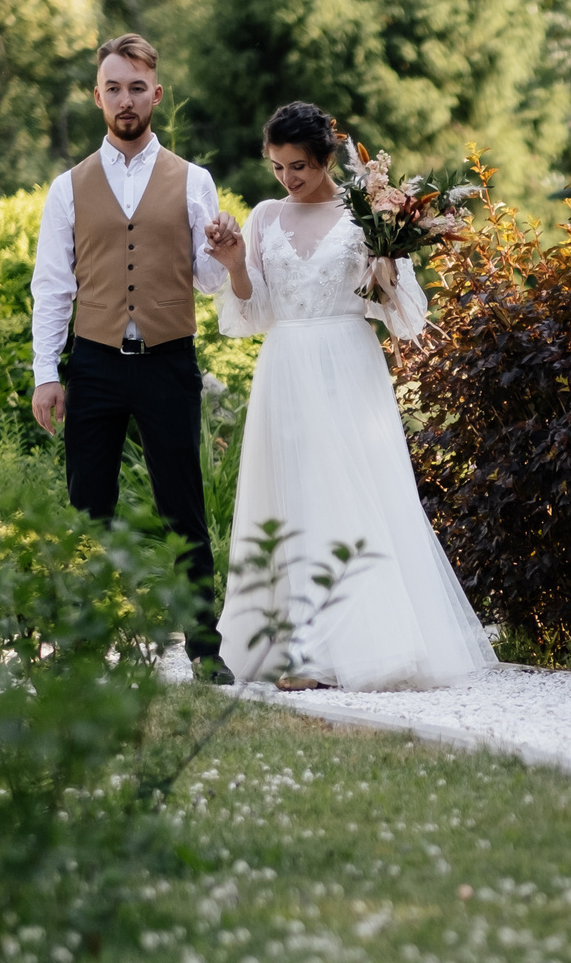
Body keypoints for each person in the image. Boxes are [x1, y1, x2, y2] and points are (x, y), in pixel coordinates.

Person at [203, 102, 494, 691]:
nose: (289, 179)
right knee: (293, 494)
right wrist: (236, 264)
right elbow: (251, 313)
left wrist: (388, 264)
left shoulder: (366, 215)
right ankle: (291, 643)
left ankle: (344, 647)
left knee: (351, 491)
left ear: (328, 158)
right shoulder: (263, 216)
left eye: (301, 167)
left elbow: (408, 318)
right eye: (279, 167)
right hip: (285, 364)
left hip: (347, 364)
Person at [28, 33, 238, 680]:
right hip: (93, 365)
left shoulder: (192, 180)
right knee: (89, 507)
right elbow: (53, 286)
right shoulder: (67, 188)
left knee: (183, 510)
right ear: (97, 97)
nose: (125, 99)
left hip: (168, 362)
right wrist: (45, 375)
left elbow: (208, 278)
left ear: (156, 93)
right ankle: (83, 647)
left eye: (136, 87)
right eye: (113, 88)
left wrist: (228, 253)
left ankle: (205, 650)